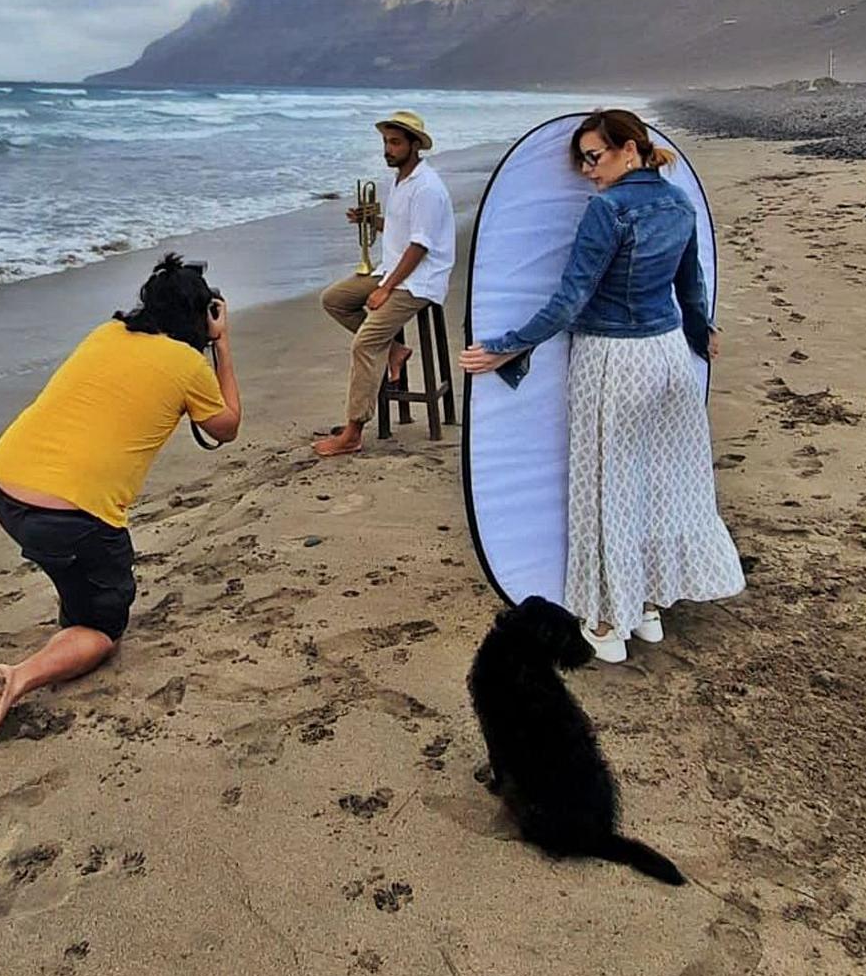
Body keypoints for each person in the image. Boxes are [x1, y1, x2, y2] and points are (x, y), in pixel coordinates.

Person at [461, 109, 744, 663]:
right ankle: (649, 608)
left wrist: (511, 344)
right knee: (659, 484)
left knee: (608, 489)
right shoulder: (679, 203)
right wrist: (699, 332)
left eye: (594, 157)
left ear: (630, 150)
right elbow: (692, 285)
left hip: (613, 359)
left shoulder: (607, 211)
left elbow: (571, 300)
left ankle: (608, 621)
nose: (589, 171)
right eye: (583, 161)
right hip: (666, 359)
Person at [0, 254, 241, 753]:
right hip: (71, 519)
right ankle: (21, 677)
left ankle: (73, 608)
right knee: (103, 628)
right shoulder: (186, 365)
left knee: (78, 576)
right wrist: (220, 344)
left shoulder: (105, 334)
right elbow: (227, 426)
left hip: (3, 486)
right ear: (202, 315)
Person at [314, 109, 455, 458]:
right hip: (391, 269)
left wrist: (386, 288)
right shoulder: (401, 180)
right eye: (385, 142)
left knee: (364, 344)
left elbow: (420, 246)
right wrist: (372, 220)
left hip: (419, 281)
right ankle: (393, 350)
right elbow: (400, 233)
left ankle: (353, 431)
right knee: (334, 299)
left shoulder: (426, 188)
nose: (388, 149)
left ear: (414, 145)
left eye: (394, 143)